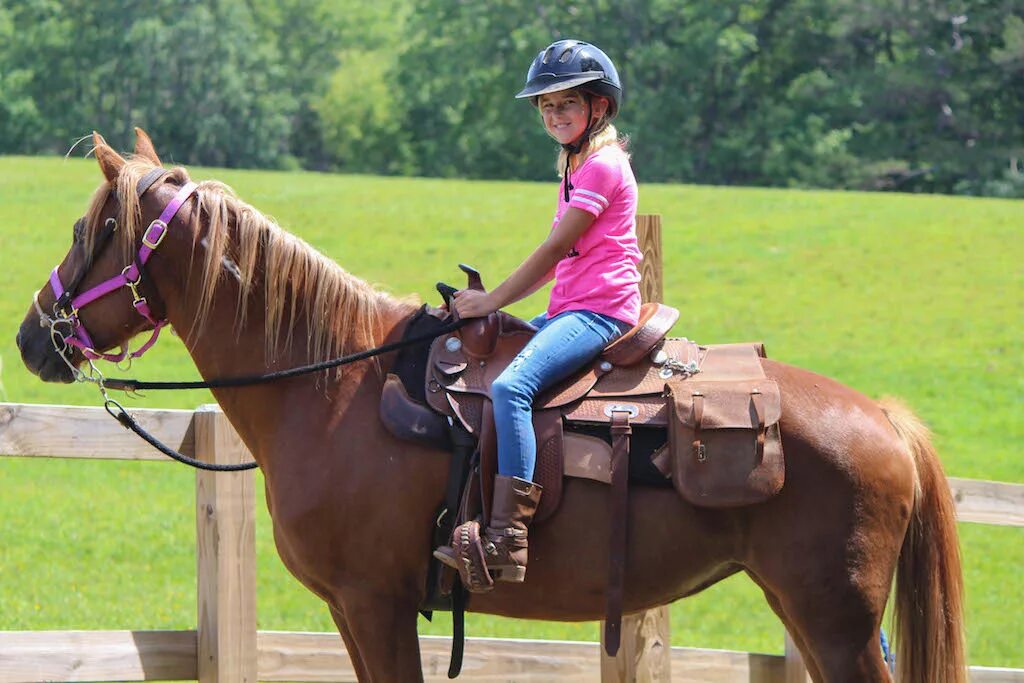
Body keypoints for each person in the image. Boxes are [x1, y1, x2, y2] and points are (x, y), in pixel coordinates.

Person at [435, 39, 642, 587]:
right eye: (546, 107)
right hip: (571, 306)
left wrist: (492, 301)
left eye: (566, 104)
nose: (554, 116)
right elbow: (563, 258)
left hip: (601, 312)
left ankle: (509, 537)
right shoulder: (575, 165)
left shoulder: (603, 167)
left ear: (598, 107)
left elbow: (553, 251)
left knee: (512, 389)